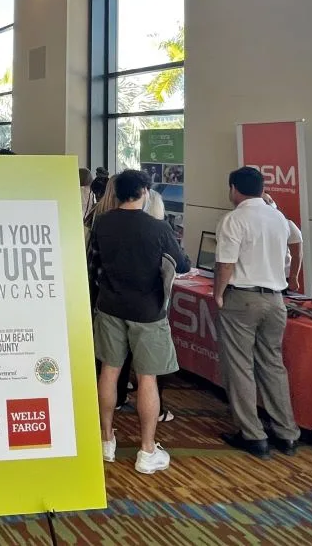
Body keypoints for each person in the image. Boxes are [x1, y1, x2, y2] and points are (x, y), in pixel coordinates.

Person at [90, 169, 189, 474]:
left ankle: (106, 440)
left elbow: (92, 264)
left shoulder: (102, 223)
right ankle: (147, 450)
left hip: (109, 307)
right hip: (148, 311)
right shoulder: (157, 228)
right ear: (145, 192)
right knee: (147, 378)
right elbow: (181, 264)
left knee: (109, 371)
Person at [214, 166, 300, 459]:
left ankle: (252, 434)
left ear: (234, 189)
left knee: (240, 366)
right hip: (276, 300)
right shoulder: (278, 218)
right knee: (273, 365)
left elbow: (226, 263)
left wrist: (218, 293)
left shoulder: (234, 219)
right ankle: (287, 433)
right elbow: (294, 246)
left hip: (242, 298)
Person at [262, 193, 303, 291]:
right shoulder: (252, 225)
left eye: (269, 201)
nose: (268, 204)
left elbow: (297, 254)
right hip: (260, 277)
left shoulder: (287, 224)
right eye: (264, 202)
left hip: (282, 277)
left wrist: (294, 277)